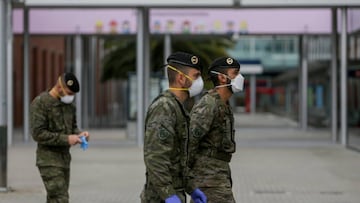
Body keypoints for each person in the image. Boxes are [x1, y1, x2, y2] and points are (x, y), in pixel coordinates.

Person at [141, 52, 207, 203]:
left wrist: (192, 188)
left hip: (174, 193)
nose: (200, 81)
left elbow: (178, 160)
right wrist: (168, 195)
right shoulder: (164, 107)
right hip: (160, 198)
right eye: (196, 76)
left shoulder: (177, 107)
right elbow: (155, 158)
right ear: (181, 78)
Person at [187, 57, 244, 203]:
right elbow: (189, 143)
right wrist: (188, 181)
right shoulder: (208, 105)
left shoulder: (223, 104)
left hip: (218, 174)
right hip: (208, 180)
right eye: (235, 73)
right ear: (222, 77)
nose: (240, 78)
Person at [30, 72, 90, 203]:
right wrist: (67, 139)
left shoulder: (69, 106)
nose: (71, 97)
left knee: (55, 199)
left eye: (73, 94)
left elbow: (72, 127)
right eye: (69, 93)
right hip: (48, 160)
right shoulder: (41, 103)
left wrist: (79, 134)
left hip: (64, 160)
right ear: (59, 87)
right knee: (60, 199)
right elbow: (38, 134)